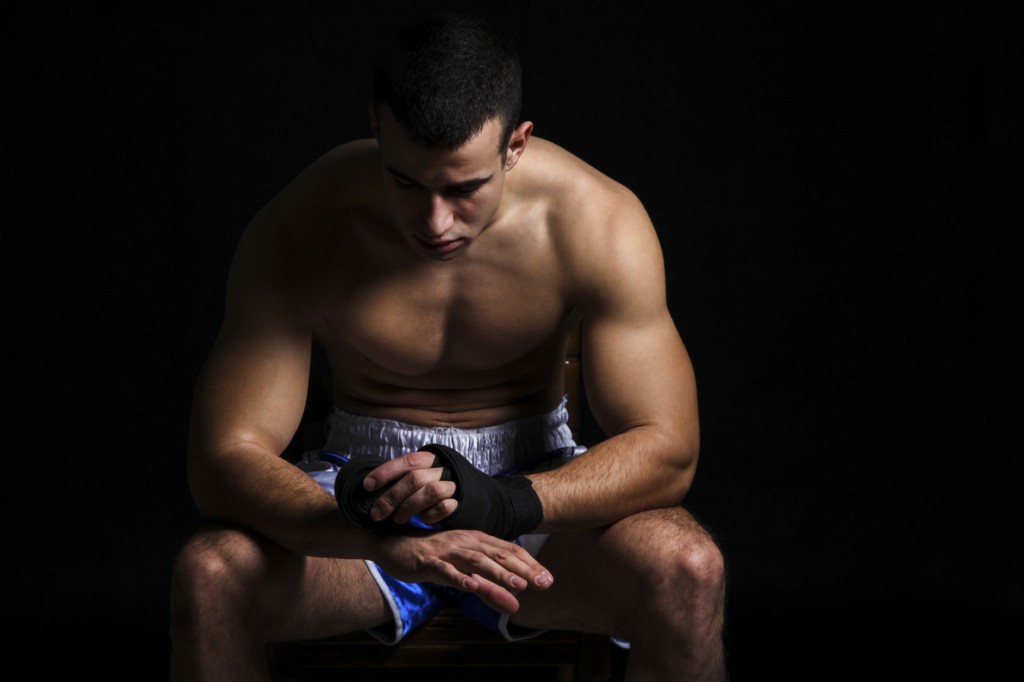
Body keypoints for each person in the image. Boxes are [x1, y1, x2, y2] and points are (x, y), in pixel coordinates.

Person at [169, 11, 727, 681]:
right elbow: (222, 460)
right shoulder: (301, 225)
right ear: (377, 127)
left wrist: (506, 502)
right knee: (210, 575)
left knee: (688, 568)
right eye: (406, 182)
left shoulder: (596, 220)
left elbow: (670, 451)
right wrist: (365, 526)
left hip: (534, 492)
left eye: (464, 189)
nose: (434, 222)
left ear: (515, 146)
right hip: (360, 496)